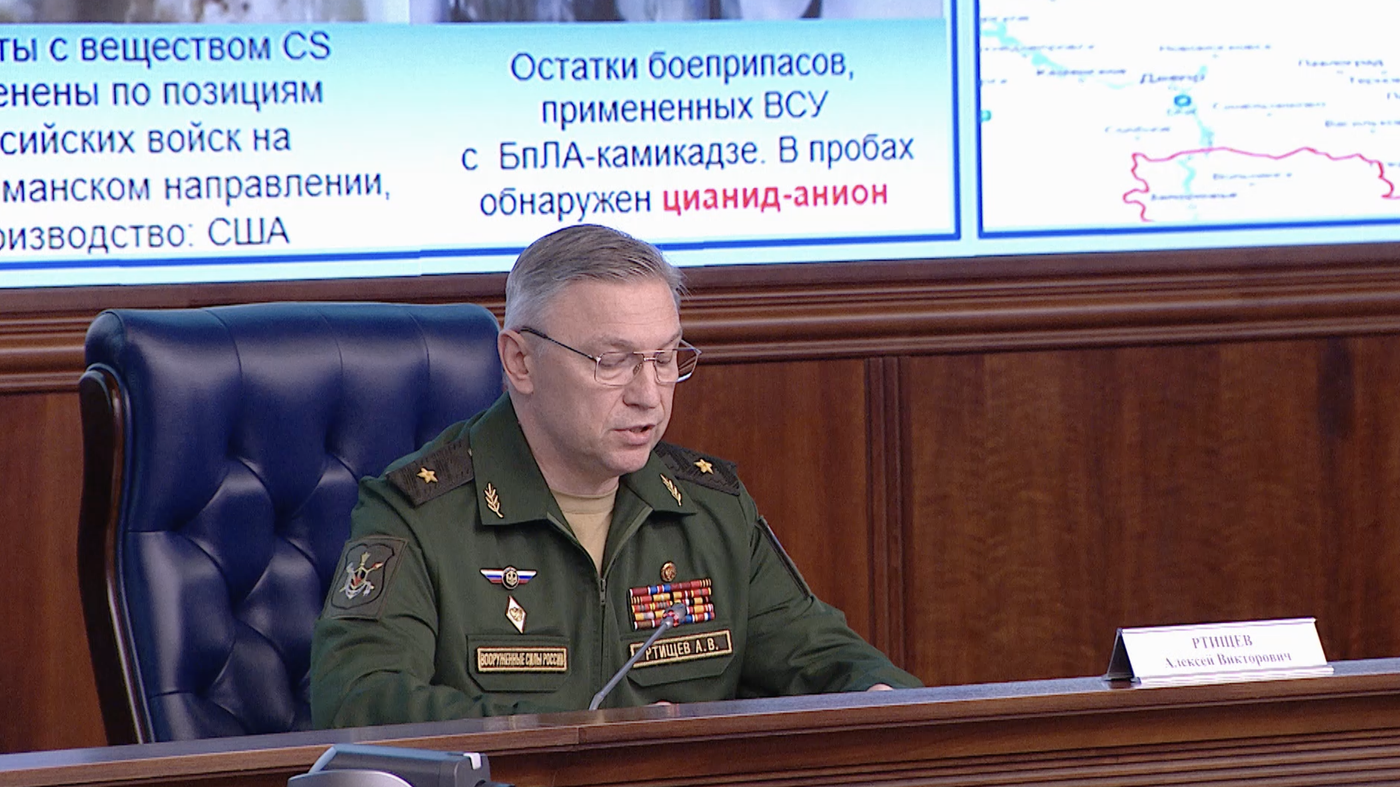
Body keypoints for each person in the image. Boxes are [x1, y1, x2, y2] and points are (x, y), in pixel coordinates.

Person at [310, 224, 920, 727]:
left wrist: (878, 695)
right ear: (520, 361)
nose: (649, 394)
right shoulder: (420, 512)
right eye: (613, 361)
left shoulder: (710, 507)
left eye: (665, 358)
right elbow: (358, 701)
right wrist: (581, 731)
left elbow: (826, 660)